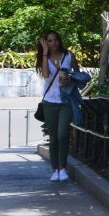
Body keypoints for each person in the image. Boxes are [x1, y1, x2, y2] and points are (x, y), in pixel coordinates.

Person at [35, 31, 80, 182]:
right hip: (49, 102)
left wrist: (70, 78)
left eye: (55, 40)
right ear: (45, 43)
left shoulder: (68, 55)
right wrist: (45, 54)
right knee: (53, 138)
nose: (54, 43)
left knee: (63, 135)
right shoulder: (44, 58)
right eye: (50, 41)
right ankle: (55, 169)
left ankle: (63, 168)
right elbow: (46, 75)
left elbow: (78, 75)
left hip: (65, 101)